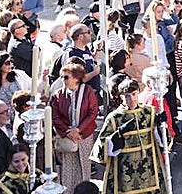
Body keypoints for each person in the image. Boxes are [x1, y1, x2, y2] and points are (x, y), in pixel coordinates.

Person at [91, 79, 168, 194]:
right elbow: (101, 148)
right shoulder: (114, 118)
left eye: (134, 94)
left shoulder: (150, 112)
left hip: (149, 170)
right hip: (124, 173)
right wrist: (118, 134)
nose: (131, 99)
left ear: (138, 92)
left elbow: (164, 143)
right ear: (121, 96)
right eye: (127, 96)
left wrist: (160, 126)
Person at [51, 62, 99, 190]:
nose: (63, 80)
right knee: (67, 170)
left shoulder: (88, 91)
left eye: (66, 77)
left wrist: (78, 129)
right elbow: (55, 116)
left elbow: (93, 112)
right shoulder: (58, 94)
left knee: (83, 167)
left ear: (77, 78)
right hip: (67, 138)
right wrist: (68, 132)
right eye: (62, 77)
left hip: (83, 136)